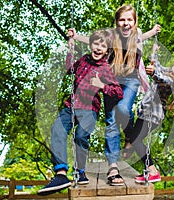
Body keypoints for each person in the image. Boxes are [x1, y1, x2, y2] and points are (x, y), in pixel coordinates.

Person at [69, 4, 161, 186]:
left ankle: (129, 135)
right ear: (116, 22)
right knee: (111, 120)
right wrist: (75, 36)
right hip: (111, 79)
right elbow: (92, 41)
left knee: (123, 109)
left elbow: (144, 36)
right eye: (122, 20)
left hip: (131, 80)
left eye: (129, 20)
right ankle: (113, 166)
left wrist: (153, 31)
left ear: (134, 23)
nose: (126, 23)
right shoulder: (111, 36)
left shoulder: (137, 36)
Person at [37, 30, 123, 195]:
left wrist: (102, 85)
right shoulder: (83, 60)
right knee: (58, 130)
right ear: (91, 45)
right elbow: (69, 69)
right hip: (71, 105)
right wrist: (71, 49)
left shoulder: (106, 69)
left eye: (102, 46)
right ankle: (61, 173)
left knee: (81, 137)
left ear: (107, 50)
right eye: (96, 44)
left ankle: (80, 171)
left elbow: (118, 92)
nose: (98, 48)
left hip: (90, 109)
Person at [127, 43, 174, 183]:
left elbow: (160, 77)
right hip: (147, 114)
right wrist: (154, 54)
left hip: (152, 115)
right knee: (135, 138)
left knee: (135, 139)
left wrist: (153, 72)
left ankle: (152, 170)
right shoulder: (169, 73)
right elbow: (160, 68)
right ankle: (149, 169)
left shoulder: (171, 81)